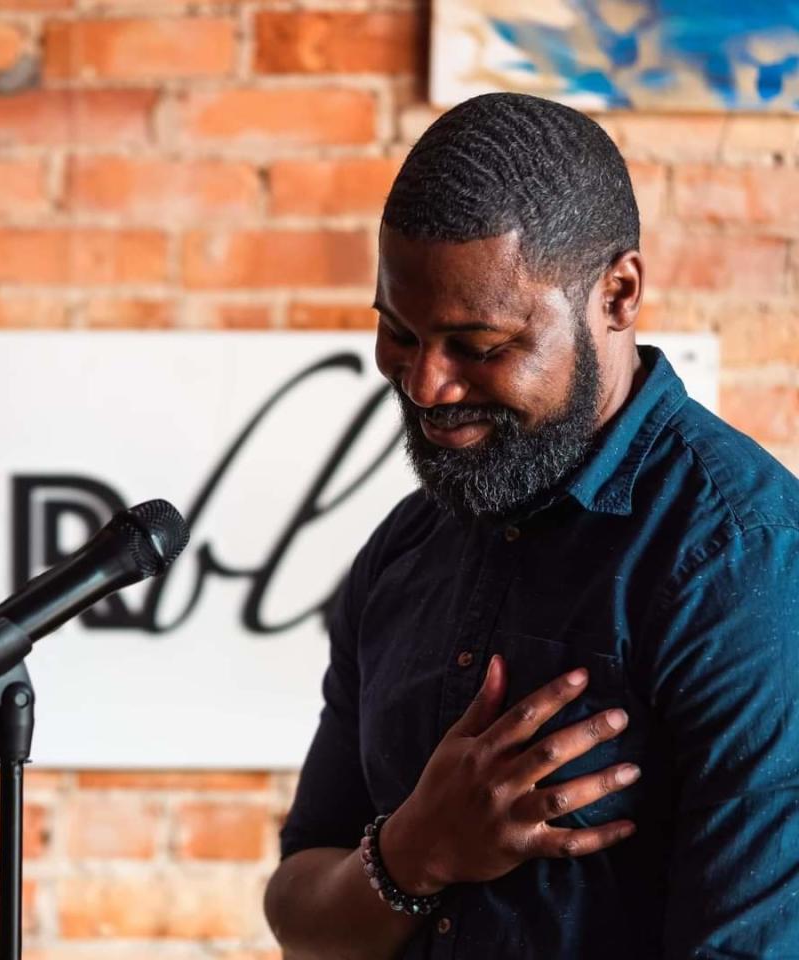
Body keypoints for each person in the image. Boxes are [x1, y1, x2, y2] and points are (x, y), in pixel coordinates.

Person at [263, 92, 799, 959]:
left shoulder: (743, 565)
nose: (426, 385)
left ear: (618, 295)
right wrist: (412, 854)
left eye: (478, 345)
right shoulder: (404, 550)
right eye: (398, 332)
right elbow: (299, 914)